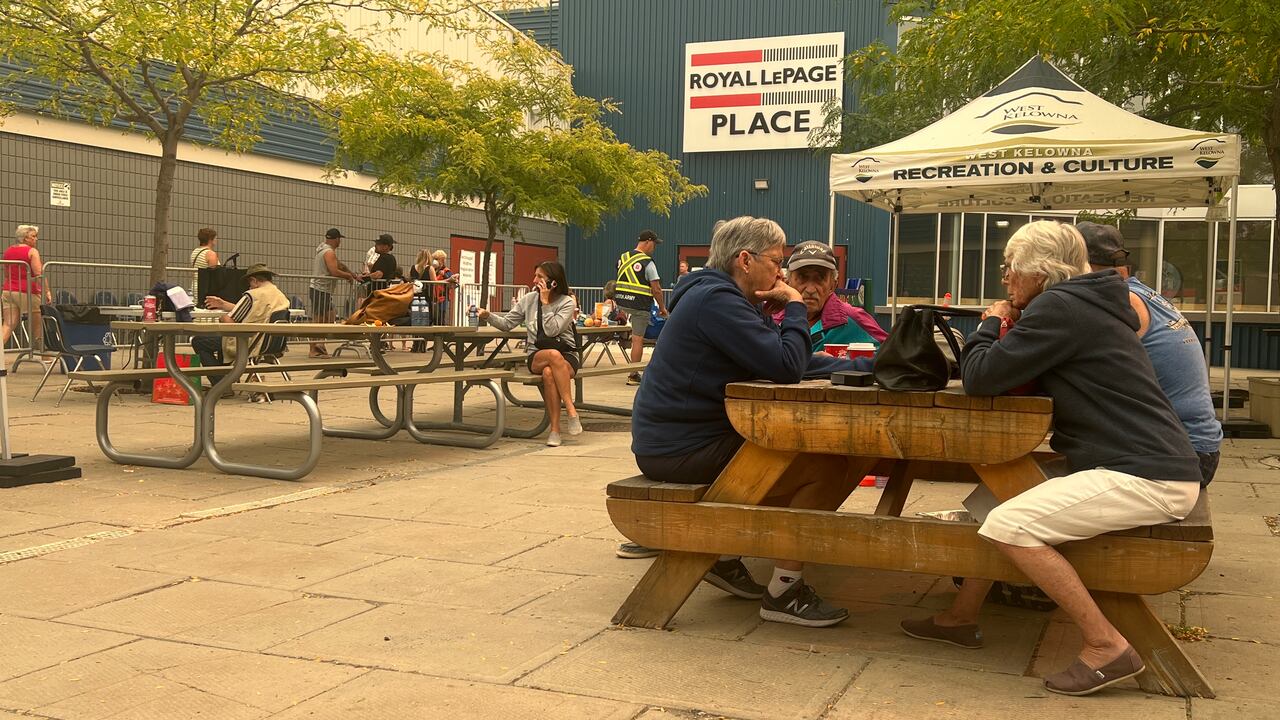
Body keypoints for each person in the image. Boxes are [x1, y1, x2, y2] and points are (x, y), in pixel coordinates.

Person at [900, 221, 1202, 696]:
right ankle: (960, 618)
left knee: (1011, 525)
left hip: (1146, 475)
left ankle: (1106, 646)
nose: (1005, 279)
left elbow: (980, 378)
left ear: (1040, 272)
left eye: (1010, 268)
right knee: (989, 499)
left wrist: (990, 322)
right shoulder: (1086, 302)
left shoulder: (1061, 307)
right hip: (1139, 461)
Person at [620, 216, 865, 628]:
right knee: (826, 464)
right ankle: (784, 590)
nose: (782, 273)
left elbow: (789, 360)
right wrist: (793, 306)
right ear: (746, 260)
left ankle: (727, 554)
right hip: (679, 449)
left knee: (817, 456)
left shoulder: (724, 299)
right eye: (777, 261)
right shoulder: (717, 301)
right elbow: (787, 366)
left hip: (678, 440)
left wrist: (869, 365)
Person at [1077, 222, 1222, 485]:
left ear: (1082, 266)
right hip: (1200, 447)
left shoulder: (1121, 300)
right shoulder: (1143, 292)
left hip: (1183, 457)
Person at [479, 261, 581, 447]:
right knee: (552, 356)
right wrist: (487, 316)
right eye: (535, 276)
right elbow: (507, 324)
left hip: (567, 354)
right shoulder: (528, 299)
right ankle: (571, 409)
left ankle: (555, 431)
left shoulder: (567, 302)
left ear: (554, 282)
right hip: (538, 355)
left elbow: (552, 330)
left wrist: (545, 303)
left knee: (550, 373)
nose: (535, 280)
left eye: (540, 277)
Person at [773, 241, 887, 351]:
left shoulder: (853, 319)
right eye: (803, 278)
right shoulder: (772, 318)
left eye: (820, 279)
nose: (811, 289)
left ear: (833, 285)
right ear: (787, 282)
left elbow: (892, 356)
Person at [195, 263, 291, 388]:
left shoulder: (253, 295)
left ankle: (221, 385)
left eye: (249, 283)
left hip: (248, 343)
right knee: (219, 341)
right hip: (270, 344)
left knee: (199, 341)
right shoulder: (280, 296)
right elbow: (255, 312)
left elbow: (230, 322)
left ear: (254, 280)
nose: (249, 286)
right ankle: (226, 379)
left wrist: (222, 318)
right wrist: (223, 304)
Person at [614, 229, 668, 385]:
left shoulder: (622, 257)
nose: (654, 248)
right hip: (639, 306)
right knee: (638, 340)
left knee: (635, 335)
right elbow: (656, 288)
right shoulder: (648, 262)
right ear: (648, 242)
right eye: (654, 244)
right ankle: (633, 375)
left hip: (622, 303)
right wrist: (662, 308)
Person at [309, 228, 358, 357]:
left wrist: (353, 274)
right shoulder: (328, 252)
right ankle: (314, 348)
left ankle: (320, 343)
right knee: (319, 319)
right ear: (336, 239)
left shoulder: (323, 250)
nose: (340, 242)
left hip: (322, 289)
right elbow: (334, 271)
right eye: (339, 239)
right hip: (320, 289)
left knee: (330, 316)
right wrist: (348, 276)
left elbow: (339, 265)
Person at [2, 224, 52, 351]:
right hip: (27, 291)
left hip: (8, 291)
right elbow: (39, 273)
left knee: (8, 324)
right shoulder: (32, 251)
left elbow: (6, 272)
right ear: (25, 238)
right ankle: (44, 355)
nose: (36, 239)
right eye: (33, 236)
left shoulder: (8, 251)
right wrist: (47, 291)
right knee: (37, 325)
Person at [190, 228, 220, 302]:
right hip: (205, 290)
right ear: (210, 240)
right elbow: (214, 275)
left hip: (195, 287)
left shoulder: (195, 251)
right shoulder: (210, 254)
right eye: (215, 238)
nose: (216, 240)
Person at [432, 250, 457, 324]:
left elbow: (452, 283)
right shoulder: (433, 270)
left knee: (440, 316)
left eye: (437, 259)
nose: (435, 261)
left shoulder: (447, 271)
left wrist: (444, 275)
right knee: (434, 317)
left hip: (442, 297)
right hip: (433, 298)